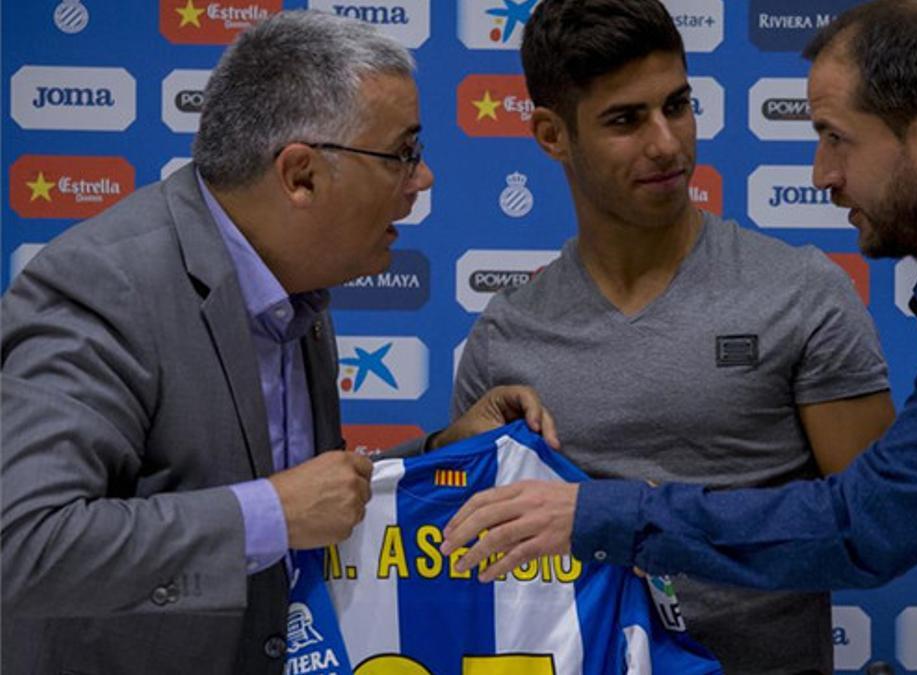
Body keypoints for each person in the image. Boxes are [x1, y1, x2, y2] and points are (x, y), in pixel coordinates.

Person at [442, 1, 917, 673]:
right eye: (625, 118)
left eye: (837, 138)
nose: (822, 173)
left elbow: (865, 522)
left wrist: (599, 515)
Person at [0, 12, 554, 675]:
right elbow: (24, 543)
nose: (423, 177)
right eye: (403, 153)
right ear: (301, 175)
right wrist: (270, 514)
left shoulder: (293, 282)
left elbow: (300, 490)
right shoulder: (107, 285)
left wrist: (440, 450)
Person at [448, 1, 894, 672]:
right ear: (550, 134)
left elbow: (877, 527)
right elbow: (478, 557)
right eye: (626, 120)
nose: (667, 143)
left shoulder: (800, 292)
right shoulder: (504, 336)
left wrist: (637, 522)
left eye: (678, 106)